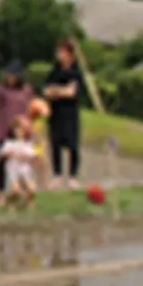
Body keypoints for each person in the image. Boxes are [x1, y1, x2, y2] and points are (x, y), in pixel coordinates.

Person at [43, 41, 86, 189]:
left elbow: (72, 92)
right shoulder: (54, 71)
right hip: (55, 112)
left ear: (70, 55)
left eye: (62, 52)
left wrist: (57, 91)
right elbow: (46, 91)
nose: (59, 55)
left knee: (72, 144)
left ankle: (73, 176)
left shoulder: (76, 73)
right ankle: (57, 174)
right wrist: (60, 91)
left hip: (70, 113)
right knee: (55, 143)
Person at [0, 62, 35, 195]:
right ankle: (1, 190)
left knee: (22, 160)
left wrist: (28, 126)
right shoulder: (1, 90)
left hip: (22, 129)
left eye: (13, 76)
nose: (10, 78)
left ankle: (22, 188)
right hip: (5, 130)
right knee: (3, 160)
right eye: (8, 75)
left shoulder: (26, 90)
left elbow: (30, 107)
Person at [0, 116, 40, 209]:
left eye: (21, 130)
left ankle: (29, 202)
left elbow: (33, 155)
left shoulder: (28, 144)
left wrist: (26, 156)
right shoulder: (10, 143)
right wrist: (9, 153)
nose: (18, 132)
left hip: (24, 170)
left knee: (32, 189)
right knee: (15, 190)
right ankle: (10, 202)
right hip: (13, 169)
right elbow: (2, 153)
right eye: (16, 129)